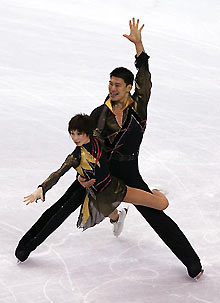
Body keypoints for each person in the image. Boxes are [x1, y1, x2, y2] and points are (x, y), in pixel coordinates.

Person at [15, 18, 203, 280]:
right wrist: (84, 175)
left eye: (117, 85)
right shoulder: (99, 114)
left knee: (155, 213)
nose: (112, 88)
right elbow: (87, 148)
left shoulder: (139, 106)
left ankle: (193, 263)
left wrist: (139, 46)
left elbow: (144, 76)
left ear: (128, 88)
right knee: (65, 204)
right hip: (101, 170)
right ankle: (25, 246)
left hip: (128, 168)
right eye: (110, 84)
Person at [23, 114, 168, 232]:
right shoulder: (75, 157)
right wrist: (42, 188)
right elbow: (58, 173)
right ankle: (118, 216)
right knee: (111, 213)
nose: (74, 138)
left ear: (87, 132)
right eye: (72, 133)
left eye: (78, 133)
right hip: (98, 196)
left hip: (114, 188)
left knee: (163, 204)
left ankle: (155, 191)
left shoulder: (98, 138)